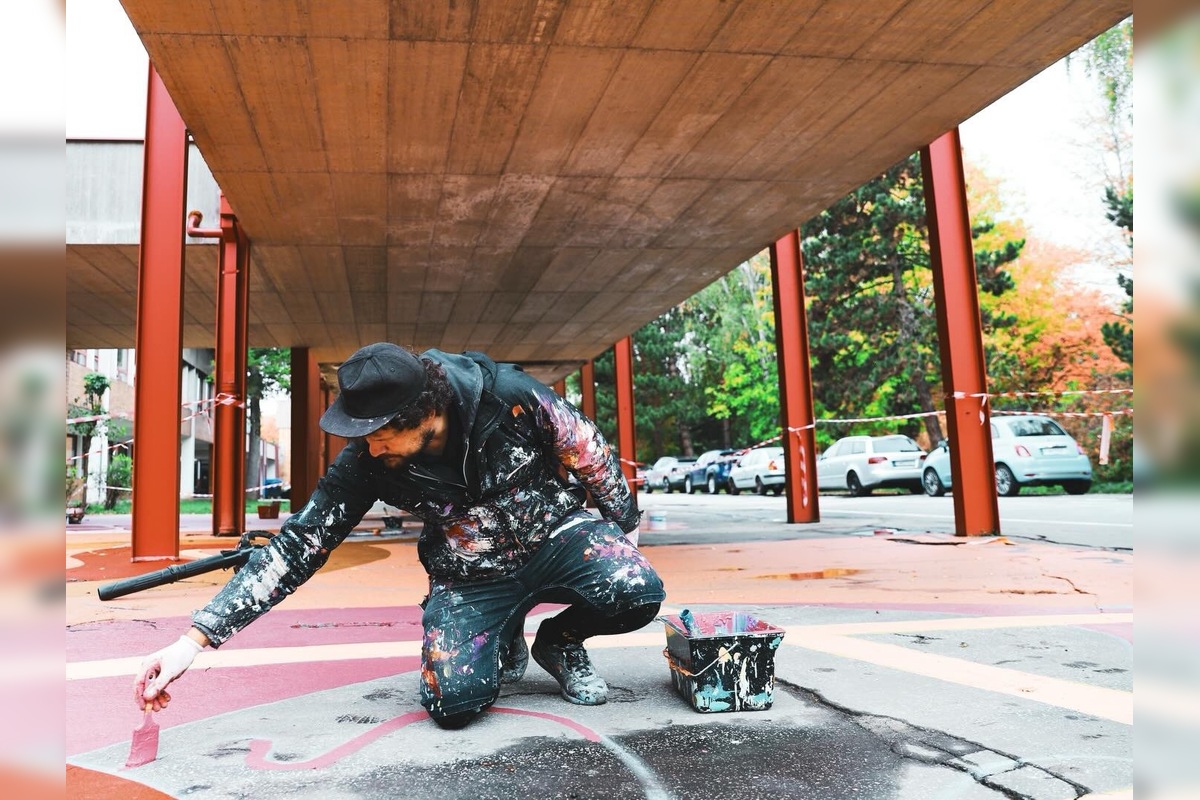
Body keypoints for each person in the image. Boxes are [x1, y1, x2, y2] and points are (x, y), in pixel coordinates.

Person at [134, 343, 665, 729]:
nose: (370, 448)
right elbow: (298, 546)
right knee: (453, 705)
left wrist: (622, 533)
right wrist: (193, 642)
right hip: (469, 573)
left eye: (380, 434)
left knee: (636, 590)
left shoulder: (510, 397)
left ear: (425, 416)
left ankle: (560, 642)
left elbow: (589, 453)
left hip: (555, 535)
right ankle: (502, 630)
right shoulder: (366, 462)